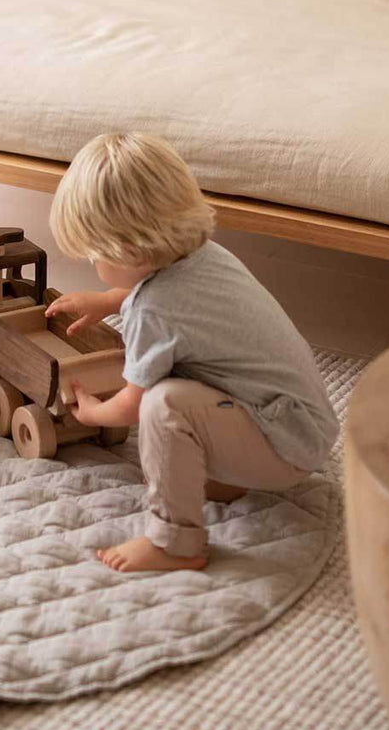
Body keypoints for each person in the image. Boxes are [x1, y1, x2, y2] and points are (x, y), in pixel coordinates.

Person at [46, 132, 338, 573]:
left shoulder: (153, 310)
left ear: (126, 251)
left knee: (163, 406)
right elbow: (177, 310)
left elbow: (132, 404)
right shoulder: (206, 256)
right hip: (302, 424)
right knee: (191, 372)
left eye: (93, 256)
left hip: (284, 450)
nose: (93, 266)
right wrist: (108, 301)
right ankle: (222, 475)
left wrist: (92, 412)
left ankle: (175, 542)